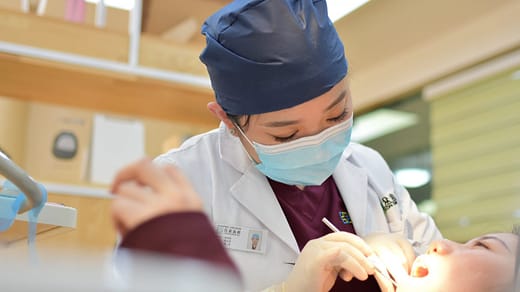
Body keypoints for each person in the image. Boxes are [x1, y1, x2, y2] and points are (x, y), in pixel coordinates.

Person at [125, 0, 441, 290]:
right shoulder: (180, 183)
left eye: (336, 115)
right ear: (228, 121)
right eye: (286, 135)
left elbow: (449, 268)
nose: (318, 143)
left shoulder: (371, 168)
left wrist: (409, 257)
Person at [111, 159, 519, 292]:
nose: (441, 244)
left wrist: (182, 240)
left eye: (483, 247)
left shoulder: (367, 165)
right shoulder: (197, 166)